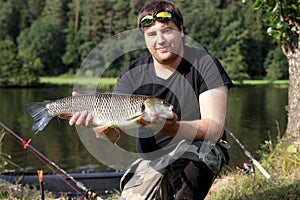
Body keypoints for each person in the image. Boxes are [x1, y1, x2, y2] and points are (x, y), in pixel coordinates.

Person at [69, 0, 233, 199]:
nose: (160, 40)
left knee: (201, 153)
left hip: (198, 147)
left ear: (181, 30)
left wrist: (172, 128)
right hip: (152, 158)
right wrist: (95, 125)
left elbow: (214, 130)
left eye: (167, 31)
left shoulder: (205, 64)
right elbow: (112, 133)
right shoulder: (132, 73)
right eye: (152, 34)